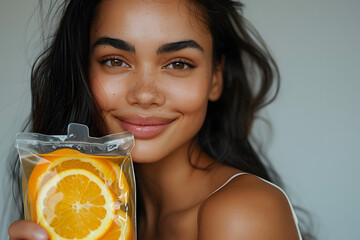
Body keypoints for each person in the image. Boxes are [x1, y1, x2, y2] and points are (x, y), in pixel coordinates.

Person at [8, 0, 312, 239]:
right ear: (83, 73)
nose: (144, 95)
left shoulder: (241, 214)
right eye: (115, 61)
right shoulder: (100, 214)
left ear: (215, 78)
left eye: (178, 64)